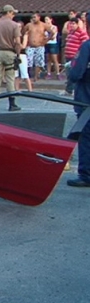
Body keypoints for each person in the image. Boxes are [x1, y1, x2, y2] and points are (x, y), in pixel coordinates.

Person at [67, 12, 90, 187]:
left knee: (86, 138)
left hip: (86, 101)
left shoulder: (87, 47)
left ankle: (86, 174)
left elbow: (76, 73)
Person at [24, 13, 53, 81]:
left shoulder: (43, 25)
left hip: (40, 46)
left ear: (39, 17)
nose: (33, 18)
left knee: (38, 62)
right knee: (28, 62)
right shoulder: (29, 25)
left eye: (35, 17)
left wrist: (46, 40)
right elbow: (23, 33)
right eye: (32, 17)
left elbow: (51, 32)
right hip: (30, 46)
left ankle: (36, 76)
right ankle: (27, 77)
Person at [64, 18, 89, 95]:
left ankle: (72, 90)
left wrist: (78, 54)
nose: (72, 25)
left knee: (75, 73)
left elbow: (84, 44)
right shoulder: (70, 33)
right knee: (69, 74)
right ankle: (69, 89)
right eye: (70, 24)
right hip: (68, 55)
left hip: (75, 57)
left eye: (73, 24)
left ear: (78, 24)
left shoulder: (81, 33)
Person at [15, 21, 33, 92]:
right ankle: (16, 90)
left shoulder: (24, 35)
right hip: (14, 54)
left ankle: (30, 90)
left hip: (22, 55)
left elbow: (23, 46)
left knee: (24, 73)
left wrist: (17, 43)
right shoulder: (13, 35)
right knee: (15, 74)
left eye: (19, 27)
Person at [44, 15, 60, 79]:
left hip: (53, 44)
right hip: (47, 44)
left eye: (47, 19)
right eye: (45, 19)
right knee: (48, 59)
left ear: (51, 20)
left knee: (55, 59)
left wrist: (48, 37)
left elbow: (53, 37)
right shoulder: (44, 28)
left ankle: (58, 73)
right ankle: (48, 73)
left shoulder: (54, 27)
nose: (46, 21)